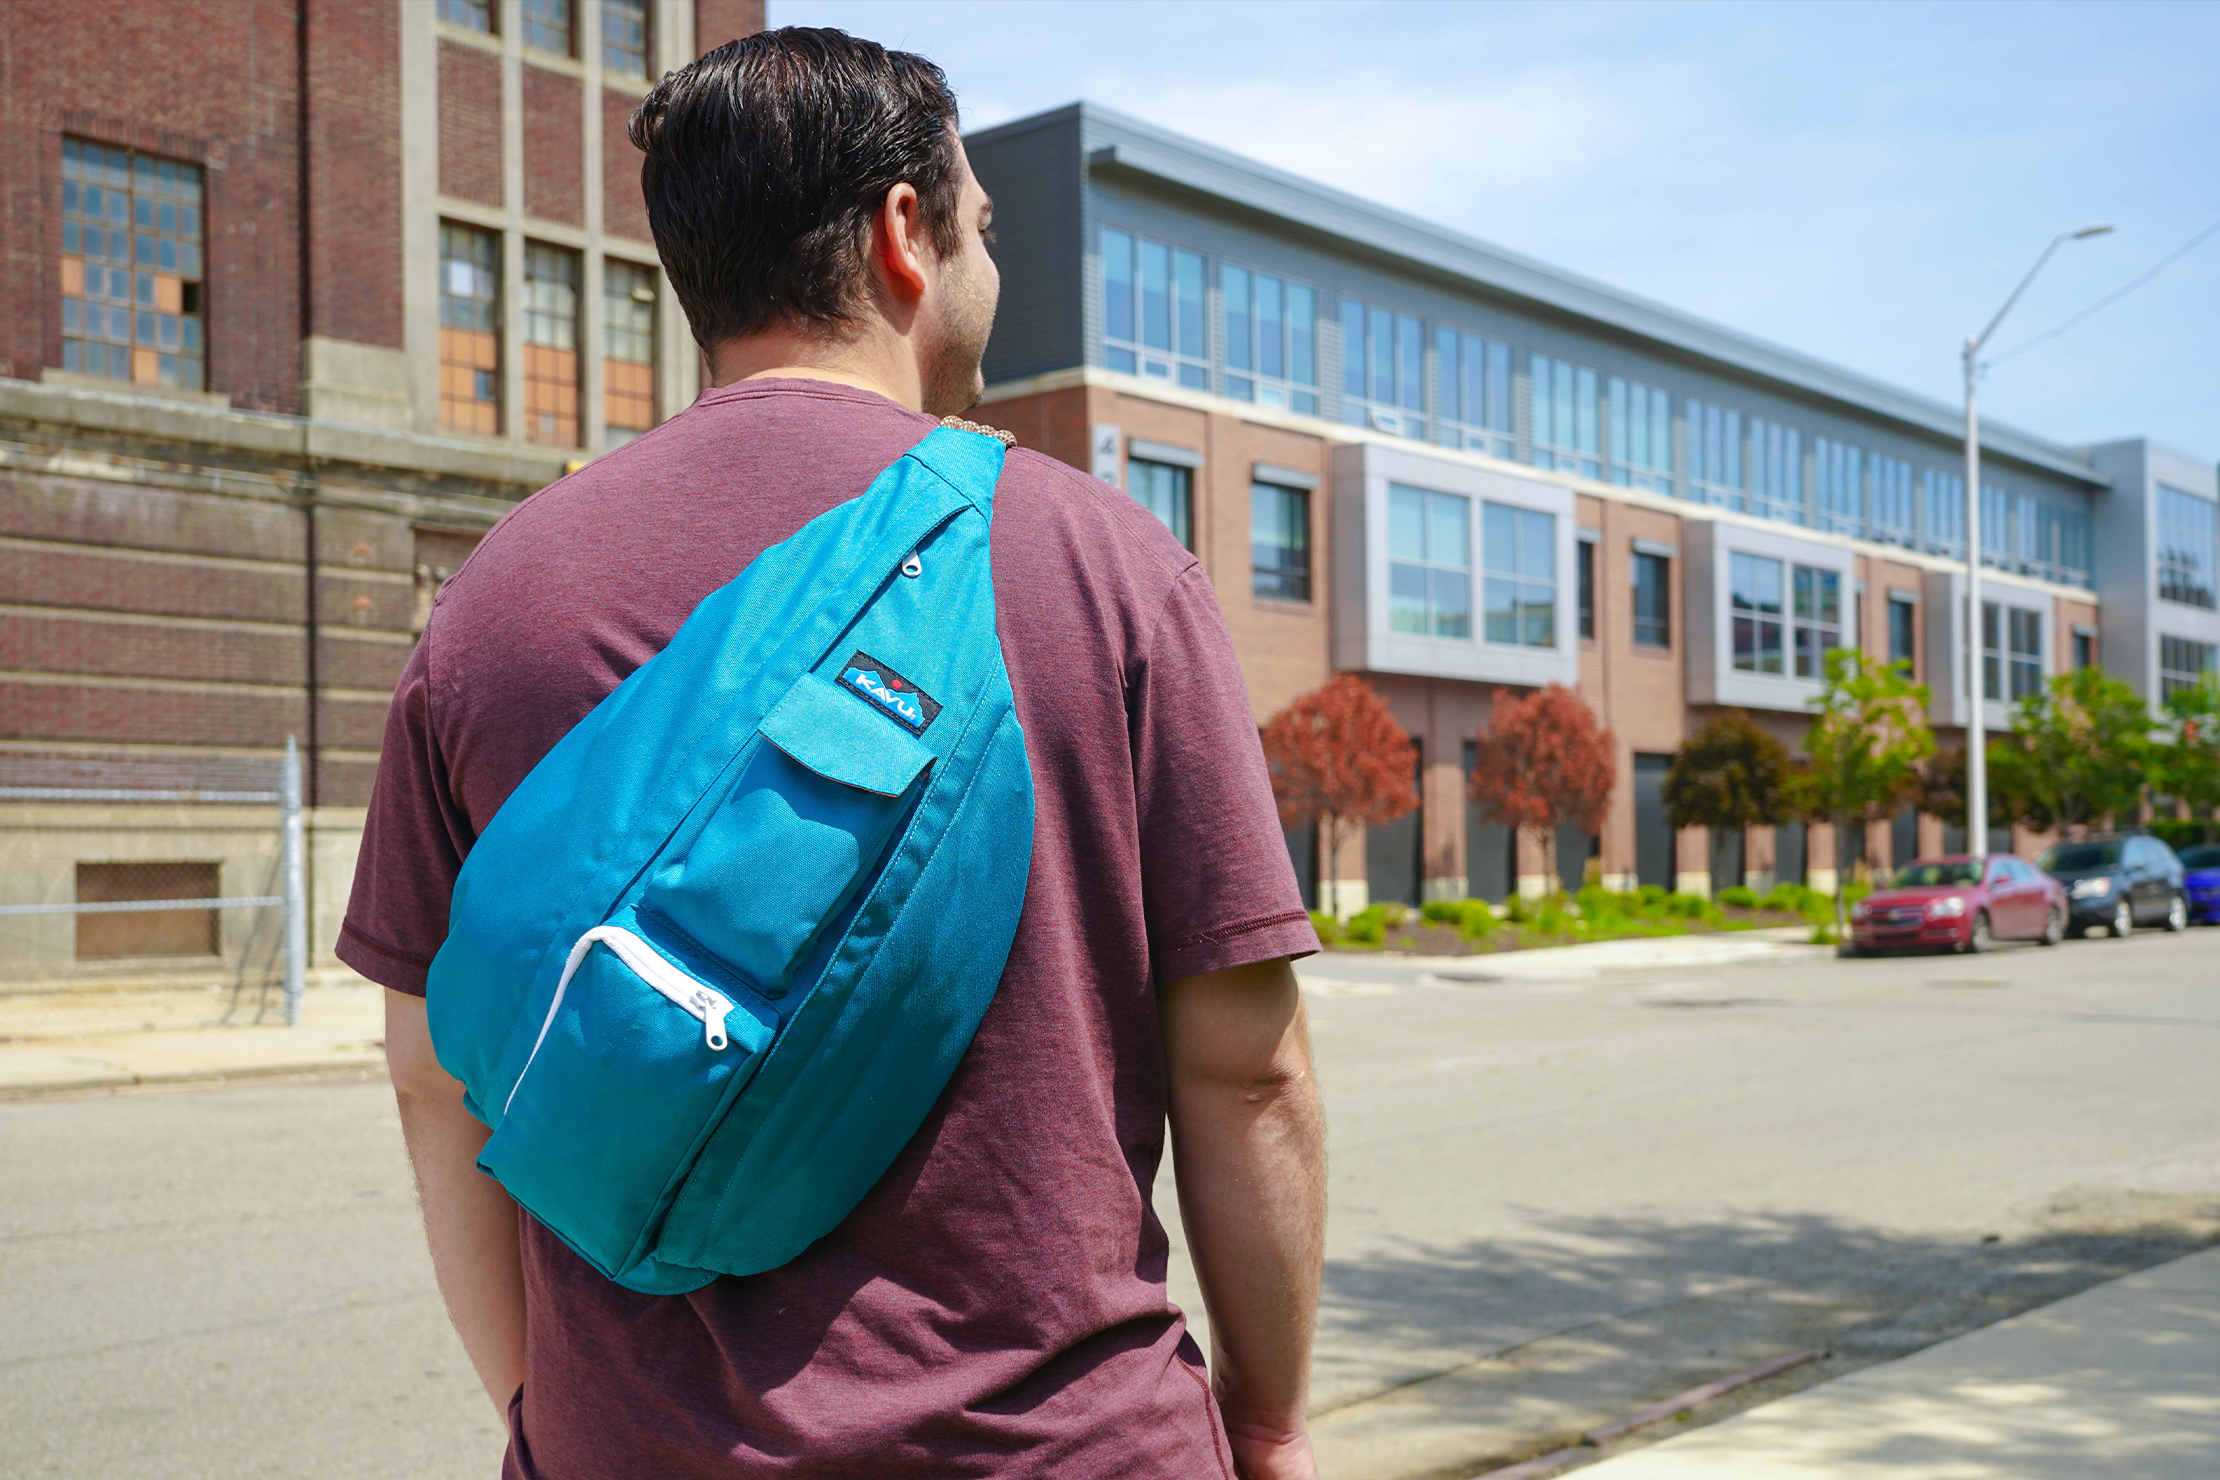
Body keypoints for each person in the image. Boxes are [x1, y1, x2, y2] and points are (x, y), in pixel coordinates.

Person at [343, 26, 1325, 1480]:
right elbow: (1247, 1072)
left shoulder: (496, 599)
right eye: (985, 226)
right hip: (1067, 1448)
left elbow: (440, 1078)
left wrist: (540, 1420)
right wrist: (1272, 1426)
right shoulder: (1106, 567)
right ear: (905, 236)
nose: (996, 263)